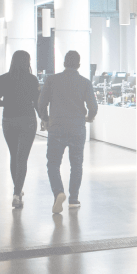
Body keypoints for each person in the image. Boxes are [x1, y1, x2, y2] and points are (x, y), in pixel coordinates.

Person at [37, 50, 98, 214]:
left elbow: (41, 104)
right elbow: (93, 106)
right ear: (79, 64)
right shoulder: (84, 82)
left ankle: (58, 192)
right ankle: (73, 199)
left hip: (56, 127)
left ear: (64, 63)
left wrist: (45, 118)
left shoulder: (52, 80)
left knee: (53, 164)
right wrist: (89, 118)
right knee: (76, 164)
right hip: (77, 127)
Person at [0, 50, 41, 209]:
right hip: (28, 121)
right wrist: (44, 118)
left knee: (14, 155)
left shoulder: (3, 79)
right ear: (27, 62)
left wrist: (8, 103)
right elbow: (37, 104)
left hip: (9, 121)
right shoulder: (32, 80)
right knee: (22, 157)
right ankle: (17, 192)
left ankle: (17, 192)